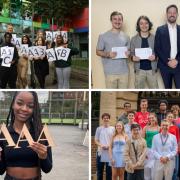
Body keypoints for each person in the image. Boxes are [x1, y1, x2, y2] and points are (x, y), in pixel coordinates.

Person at [0, 91, 52, 179]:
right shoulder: (4, 133)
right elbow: (1, 171)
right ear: (13, 104)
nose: (24, 109)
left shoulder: (41, 133)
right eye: (19, 103)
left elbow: (47, 169)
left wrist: (44, 156)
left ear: (34, 109)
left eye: (30, 106)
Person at [96, 11, 130, 89]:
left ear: (122, 21)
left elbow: (129, 52)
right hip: (110, 72)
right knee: (111, 94)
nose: (117, 21)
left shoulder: (126, 37)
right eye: (115, 19)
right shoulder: (103, 36)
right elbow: (98, 51)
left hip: (124, 72)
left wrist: (128, 53)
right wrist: (108, 54)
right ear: (111, 20)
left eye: (119, 19)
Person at [155, 4, 180, 89]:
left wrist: (177, 60)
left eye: (174, 12)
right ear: (166, 14)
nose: (172, 14)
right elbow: (157, 48)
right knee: (167, 89)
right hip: (165, 66)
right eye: (170, 12)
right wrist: (167, 61)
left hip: (178, 65)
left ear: (177, 14)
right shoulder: (160, 30)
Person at [130, 16, 158, 89]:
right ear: (138, 26)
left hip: (152, 70)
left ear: (149, 24)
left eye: (146, 23)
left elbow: (159, 52)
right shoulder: (133, 39)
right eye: (141, 23)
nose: (144, 25)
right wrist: (133, 58)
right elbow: (131, 54)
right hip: (139, 71)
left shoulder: (155, 38)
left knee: (155, 89)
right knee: (138, 90)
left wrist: (156, 56)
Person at [95, 113, 115, 180]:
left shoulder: (113, 129)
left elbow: (114, 140)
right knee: (99, 171)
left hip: (110, 153)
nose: (106, 119)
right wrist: (101, 145)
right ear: (102, 119)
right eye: (104, 118)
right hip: (100, 152)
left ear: (109, 119)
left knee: (109, 172)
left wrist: (109, 146)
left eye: (107, 118)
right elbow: (96, 140)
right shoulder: (99, 129)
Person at [142, 113, 160, 180]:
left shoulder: (159, 128)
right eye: (150, 118)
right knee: (146, 169)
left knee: (155, 169)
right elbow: (142, 140)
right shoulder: (145, 128)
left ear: (155, 118)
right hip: (147, 150)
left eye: (153, 118)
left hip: (156, 150)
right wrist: (143, 152)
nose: (151, 119)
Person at [165, 112, 179, 180]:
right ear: (166, 117)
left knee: (175, 168)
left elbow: (178, 139)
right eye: (169, 117)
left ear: (173, 118)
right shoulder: (163, 126)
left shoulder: (175, 127)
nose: (170, 118)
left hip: (174, 150)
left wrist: (178, 149)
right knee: (166, 168)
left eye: (171, 117)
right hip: (165, 150)